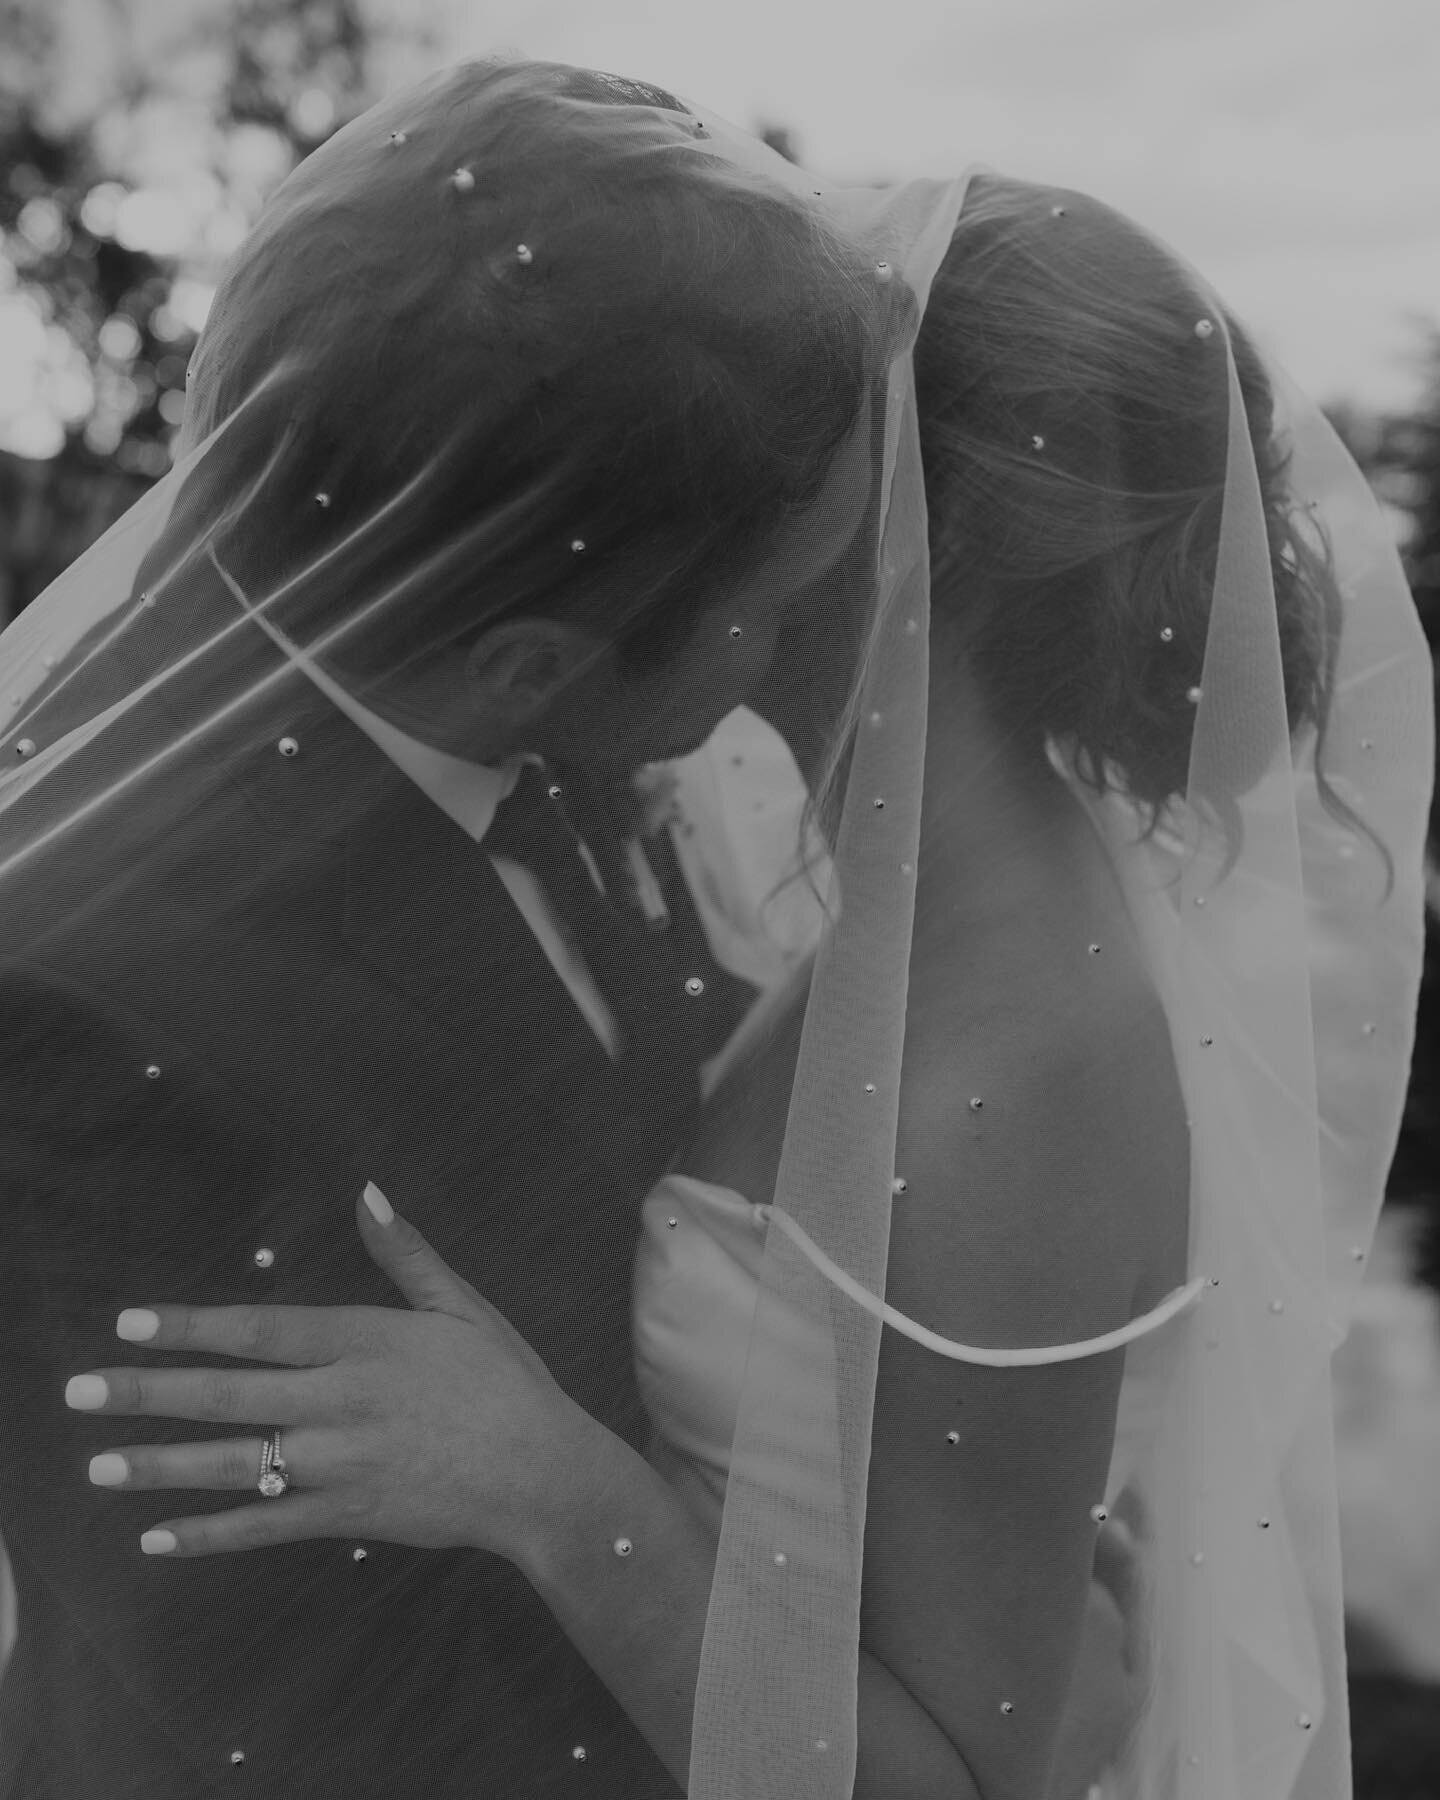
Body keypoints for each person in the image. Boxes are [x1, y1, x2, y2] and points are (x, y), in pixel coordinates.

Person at [17, 74, 1436, 1800]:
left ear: (886, 551)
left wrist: (564, 1493)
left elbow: (959, 1773)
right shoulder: (818, 853)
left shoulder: (1019, 1056)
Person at [0, 61, 902, 1799]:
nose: (815, 655)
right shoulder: (69, 1009)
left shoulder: (488, 661)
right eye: (778, 612)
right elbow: (331, 1716)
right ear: (529, 670)